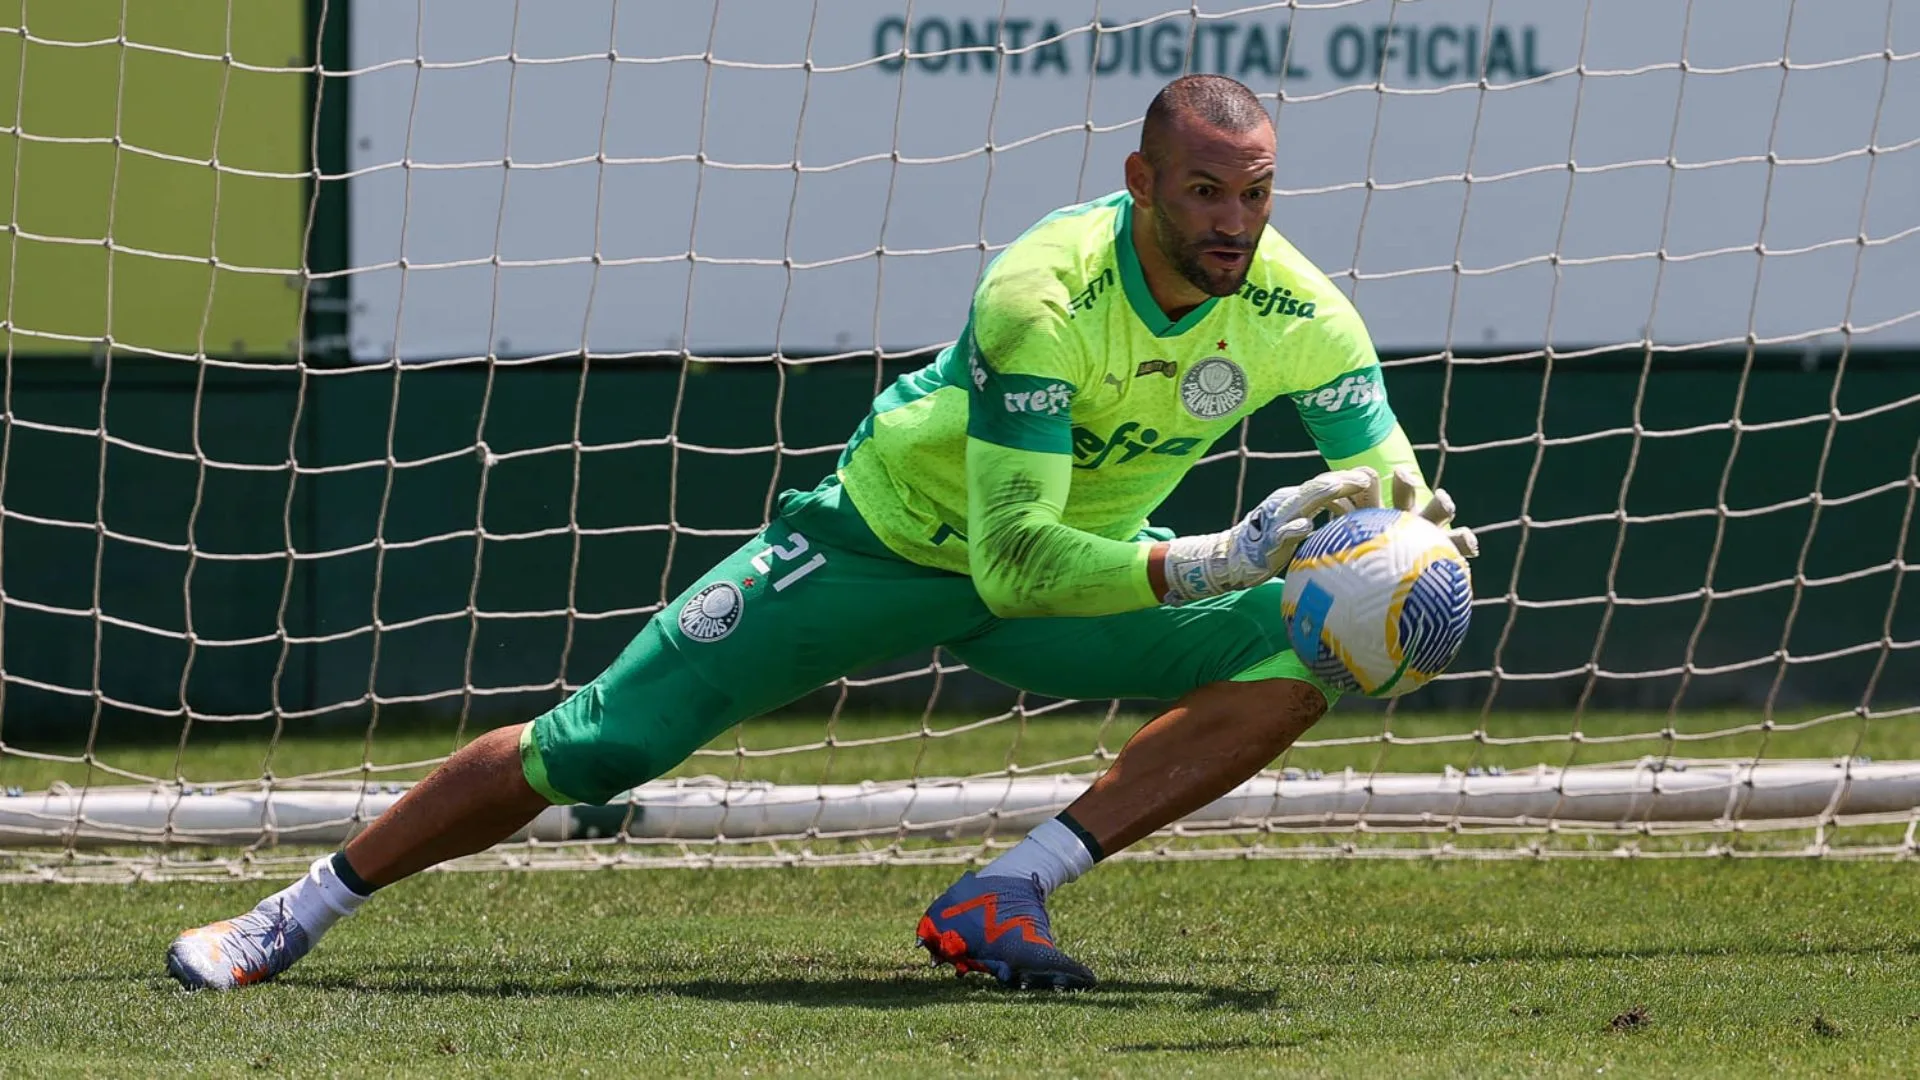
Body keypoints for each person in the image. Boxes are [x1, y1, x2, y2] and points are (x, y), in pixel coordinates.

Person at [166, 73, 1475, 993]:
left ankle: (1004, 893)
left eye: (1252, 196)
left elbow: (1385, 492)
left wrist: (1414, 558)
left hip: (1081, 592)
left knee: (1314, 656)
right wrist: (1220, 559)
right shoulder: (1045, 296)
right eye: (1204, 193)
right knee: (594, 747)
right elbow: (1008, 554)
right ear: (1141, 181)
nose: (1234, 226)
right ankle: (295, 913)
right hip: (883, 551)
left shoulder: (1303, 311)